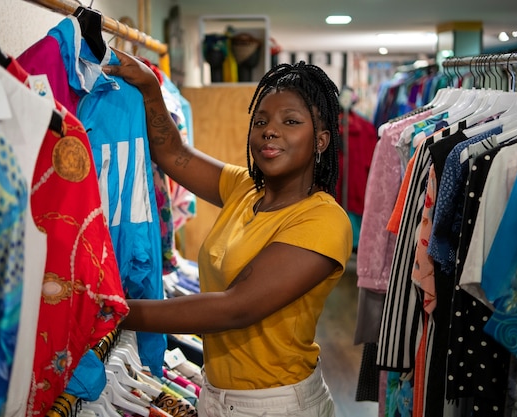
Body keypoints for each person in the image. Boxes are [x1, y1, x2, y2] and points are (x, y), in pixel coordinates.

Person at [103, 49, 353, 416]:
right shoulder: (244, 189)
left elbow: (236, 308)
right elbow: (173, 153)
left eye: (291, 121)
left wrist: (110, 312)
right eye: (261, 120)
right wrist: (150, 86)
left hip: (277, 404)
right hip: (215, 392)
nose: (270, 129)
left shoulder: (324, 221)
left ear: (321, 141)